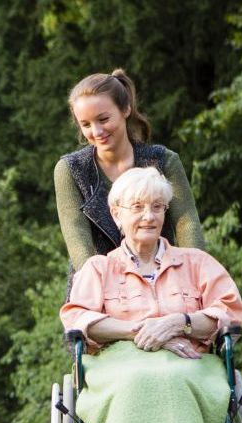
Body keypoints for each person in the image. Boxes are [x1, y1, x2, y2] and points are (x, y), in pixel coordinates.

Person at [60, 166, 242, 423]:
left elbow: (228, 313)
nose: (149, 216)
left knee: (172, 377)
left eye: (158, 207)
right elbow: (77, 320)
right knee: (138, 380)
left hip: (189, 361)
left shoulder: (196, 263)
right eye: (138, 206)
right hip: (118, 363)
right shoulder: (98, 269)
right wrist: (140, 330)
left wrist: (180, 323)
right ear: (117, 214)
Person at [54, 70, 206, 287]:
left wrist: (195, 273)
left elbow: (186, 221)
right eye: (86, 124)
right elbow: (77, 238)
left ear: (125, 109)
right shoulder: (70, 169)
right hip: (99, 289)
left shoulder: (165, 160)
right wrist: (102, 287)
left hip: (164, 284)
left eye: (103, 119)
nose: (96, 131)